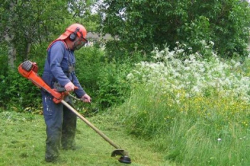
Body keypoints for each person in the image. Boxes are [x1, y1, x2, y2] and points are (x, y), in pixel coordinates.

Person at [41, 23, 91, 162]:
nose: (80, 44)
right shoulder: (58, 46)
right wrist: (66, 82)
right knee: (55, 123)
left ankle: (67, 145)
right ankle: (52, 156)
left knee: (70, 117)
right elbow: (54, 66)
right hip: (52, 91)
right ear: (73, 35)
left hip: (63, 91)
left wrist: (82, 94)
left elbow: (72, 75)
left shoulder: (70, 52)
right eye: (80, 40)